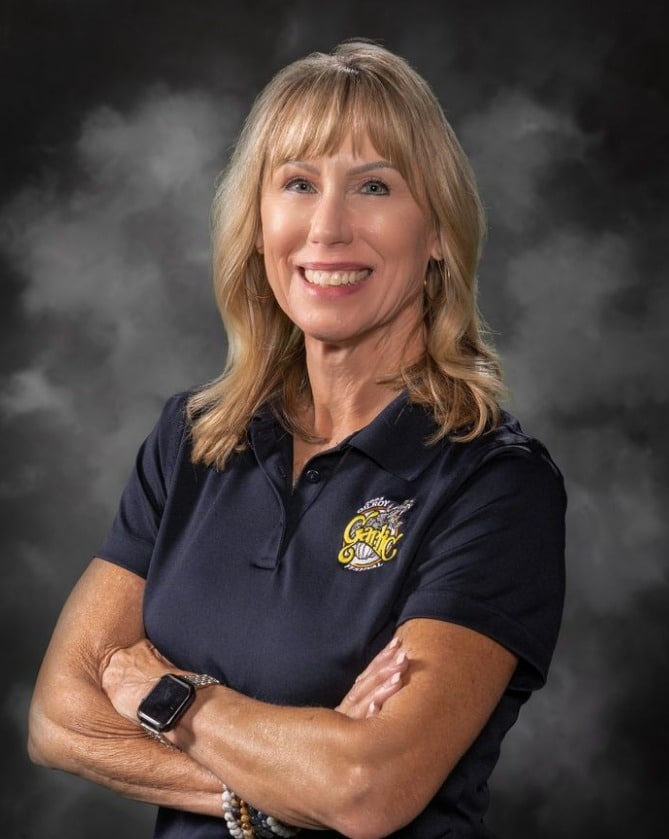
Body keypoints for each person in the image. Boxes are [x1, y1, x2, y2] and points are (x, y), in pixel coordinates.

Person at [28, 40, 566, 839]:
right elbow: (57, 716)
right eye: (298, 184)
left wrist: (166, 694)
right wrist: (273, 787)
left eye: (374, 186)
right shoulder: (191, 441)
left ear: (437, 233)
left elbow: (365, 787)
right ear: (257, 226)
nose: (327, 227)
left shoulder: (493, 483)